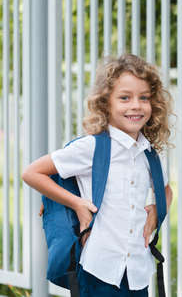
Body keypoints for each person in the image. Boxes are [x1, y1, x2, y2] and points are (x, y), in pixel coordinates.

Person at [22, 54, 173, 296]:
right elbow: (32, 173)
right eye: (125, 98)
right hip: (98, 271)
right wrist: (77, 204)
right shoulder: (92, 147)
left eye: (144, 98)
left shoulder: (149, 155)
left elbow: (166, 189)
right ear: (105, 103)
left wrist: (156, 211)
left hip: (136, 274)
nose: (136, 105)